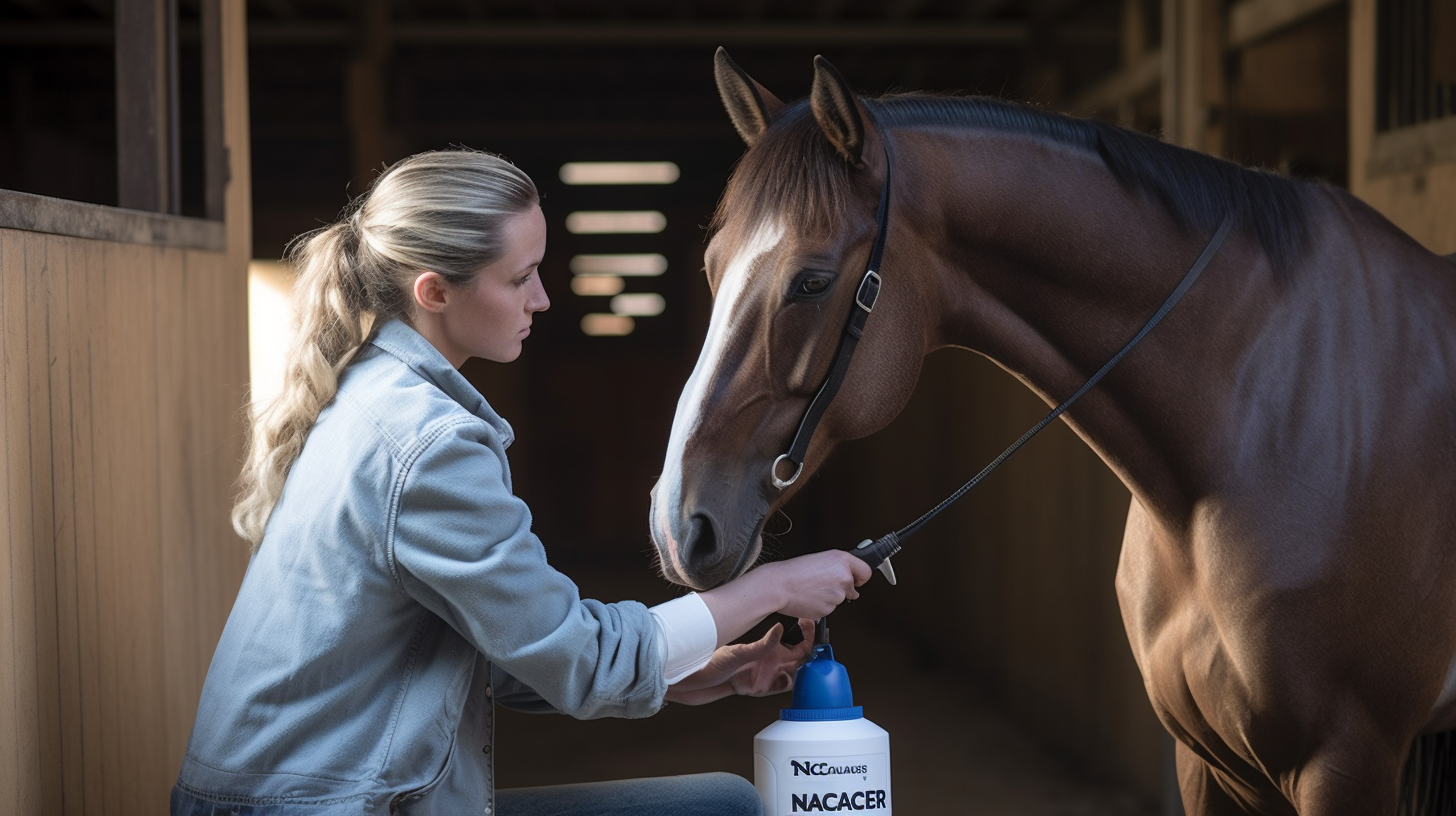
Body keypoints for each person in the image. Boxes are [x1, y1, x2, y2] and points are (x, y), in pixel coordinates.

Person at [171, 148, 871, 816]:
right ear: (435, 291)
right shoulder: (428, 443)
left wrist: (695, 670)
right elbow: (579, 661)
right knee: (722, 808)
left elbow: (506, 646)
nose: (541, 298)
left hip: (289, 800)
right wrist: (774, 588)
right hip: (315, 807)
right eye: (518, 278)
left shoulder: (370, 397)